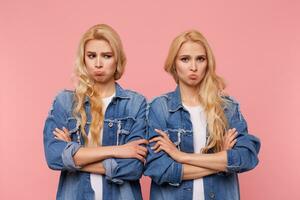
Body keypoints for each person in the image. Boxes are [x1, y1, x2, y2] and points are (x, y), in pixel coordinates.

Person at [144, 30, 261, 200]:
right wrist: (220, 161)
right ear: (174, 64)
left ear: (208, 63)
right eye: (185, 59)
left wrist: (180, 156)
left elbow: (246, 157)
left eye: (200, 59)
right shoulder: (159, 108)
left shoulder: (227, 108)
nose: (193, 67)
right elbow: (161, 169)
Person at [43, 24, 148, 200]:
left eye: (106, 56)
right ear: (83, 59)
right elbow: (54, 157)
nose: (98, 64)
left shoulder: (135, 104)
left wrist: (75, 158)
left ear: (117, 60)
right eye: (92, 56)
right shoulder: (65, 102)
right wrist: (118, 150)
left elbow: (133, 167)